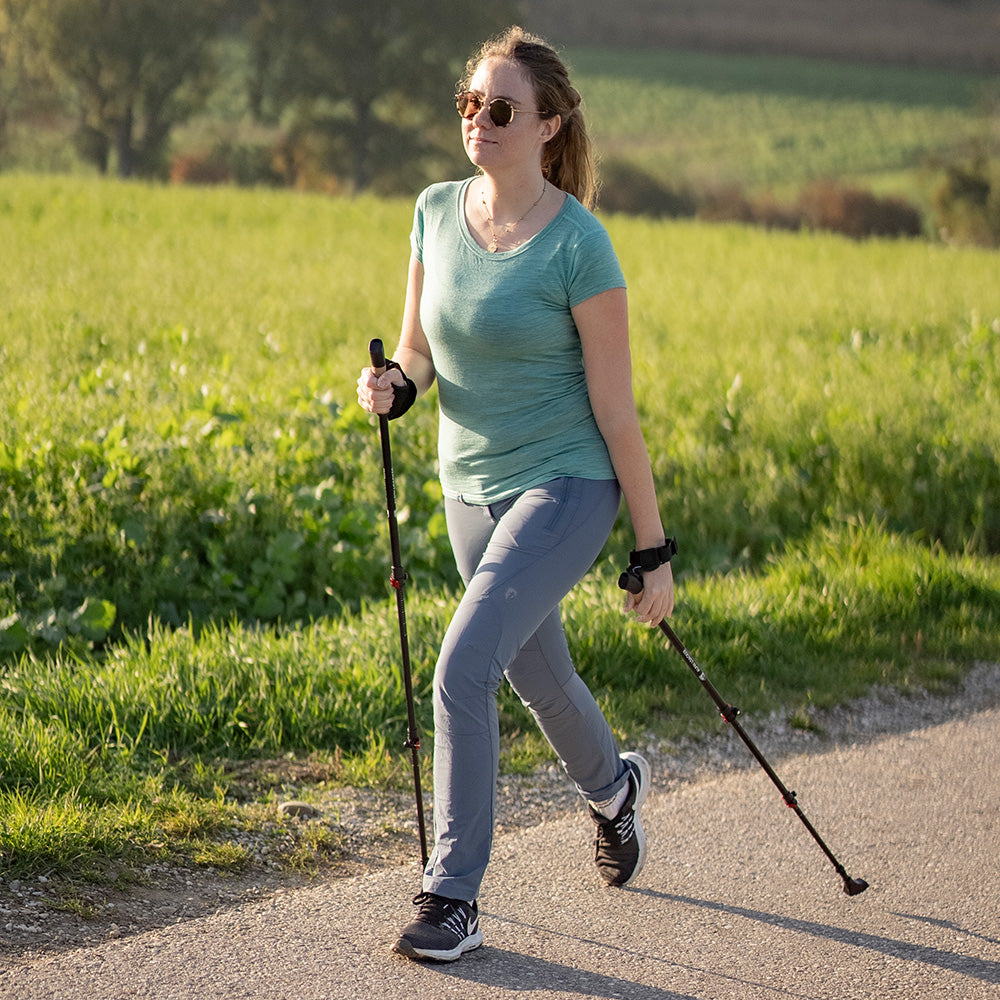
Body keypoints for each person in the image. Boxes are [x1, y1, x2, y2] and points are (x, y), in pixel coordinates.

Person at [356, 25, 674, 963]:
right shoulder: (433, 211)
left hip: (567, 484)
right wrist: (395, 386)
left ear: (548, 126)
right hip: (469, 488)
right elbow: (417, 350)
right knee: (539, 674)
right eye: (470, 103)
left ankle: (451, 897)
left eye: (500, 108)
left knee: (463, 668)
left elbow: (616, 411)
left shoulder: (578, 245)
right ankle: (615, 790)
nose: (479, 120)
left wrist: (652, 549)